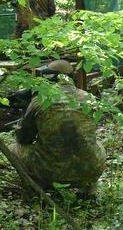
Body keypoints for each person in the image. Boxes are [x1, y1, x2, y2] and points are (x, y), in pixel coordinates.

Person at [12, 59, 106, 194]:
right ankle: (88, 192)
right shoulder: (89, 98)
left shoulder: (40, 100)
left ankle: (36, 189)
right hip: (90, 169)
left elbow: (23, 138)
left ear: (51, 78)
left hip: (51, 173)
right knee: (99, 146)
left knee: (14, 149)